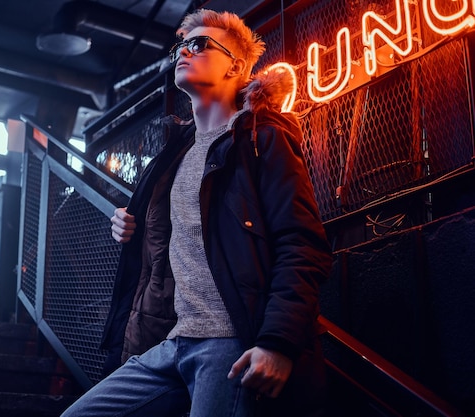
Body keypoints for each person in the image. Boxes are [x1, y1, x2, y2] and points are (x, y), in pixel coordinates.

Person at [61, 8, 332, 417]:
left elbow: (302, 245)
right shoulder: (173, 153)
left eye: (200, 44)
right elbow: (176, 241)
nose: (183, 52)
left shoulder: (263, 139)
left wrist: (277, 343)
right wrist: (129, 226)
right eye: (180, 46)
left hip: (231, 344)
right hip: (170, 342)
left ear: (235, 66)